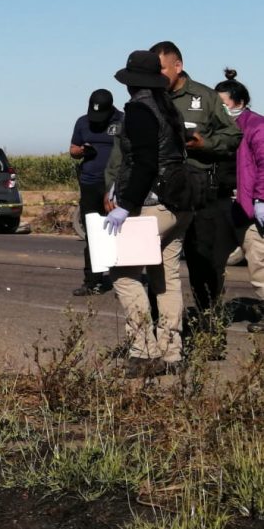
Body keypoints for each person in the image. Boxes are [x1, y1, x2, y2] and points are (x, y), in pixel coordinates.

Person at [105, 50, 194, 377]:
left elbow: (144, 162)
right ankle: (171, 353)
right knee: (165, 276)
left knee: (123, 273)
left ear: (131, 83)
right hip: (179, 202)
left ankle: (143, 351)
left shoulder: (139, 110)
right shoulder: (168, 107)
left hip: (152, 204)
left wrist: (125, 204)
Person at [149, 41, 241, 343]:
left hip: (201, 193)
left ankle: (208, 332)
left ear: (178, 66)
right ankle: (160, 331)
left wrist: (205, 144)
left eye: (162, 69)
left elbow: (233, 135)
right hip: (161, 195)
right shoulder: (150, 98)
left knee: (204, 266)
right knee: (157, 264)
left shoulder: (205, 97)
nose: (158, 76)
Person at [215, 69, 264, 332]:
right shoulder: (216, 128)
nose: (220, 108)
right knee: (213, 260)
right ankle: (210, 310)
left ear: (240, 102)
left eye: (224, 103)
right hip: (219, 201)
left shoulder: (256, 126)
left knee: (258, 260)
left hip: (246, 202)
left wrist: (260, 199)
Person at [69, 89, 122, 296]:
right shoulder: (82, 122)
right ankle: (93, 281)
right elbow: (73, 149)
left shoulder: (123, 121)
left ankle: (123, 282)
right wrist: (81, 150)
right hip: (90, 184)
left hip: (115, 185)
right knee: (93, 234)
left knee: (119, 232)